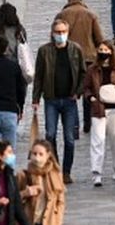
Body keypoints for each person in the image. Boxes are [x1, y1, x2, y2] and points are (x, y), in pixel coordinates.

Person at [34, 18, 86, 184]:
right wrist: (35, 98)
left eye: (63, 32)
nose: (60, 35)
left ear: (68, 33)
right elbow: (39, 76)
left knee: (69, 138)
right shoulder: (44, 51)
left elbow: (83, 73)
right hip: (51, 99)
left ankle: (66, 171)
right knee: (50, 134)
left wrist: (77, 92)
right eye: (58, 32)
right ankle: (54, 167)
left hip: (69, 100)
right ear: (52, 33)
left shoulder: (75, 50)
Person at [83, 40, 115, 187]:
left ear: (111, 51)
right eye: (100, 49)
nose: (103, 52)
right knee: (97, 141)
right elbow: (86, 87)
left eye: (105, 49)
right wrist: (91, 98)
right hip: (99, 108)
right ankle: (96, 173)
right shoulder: (92, 69)